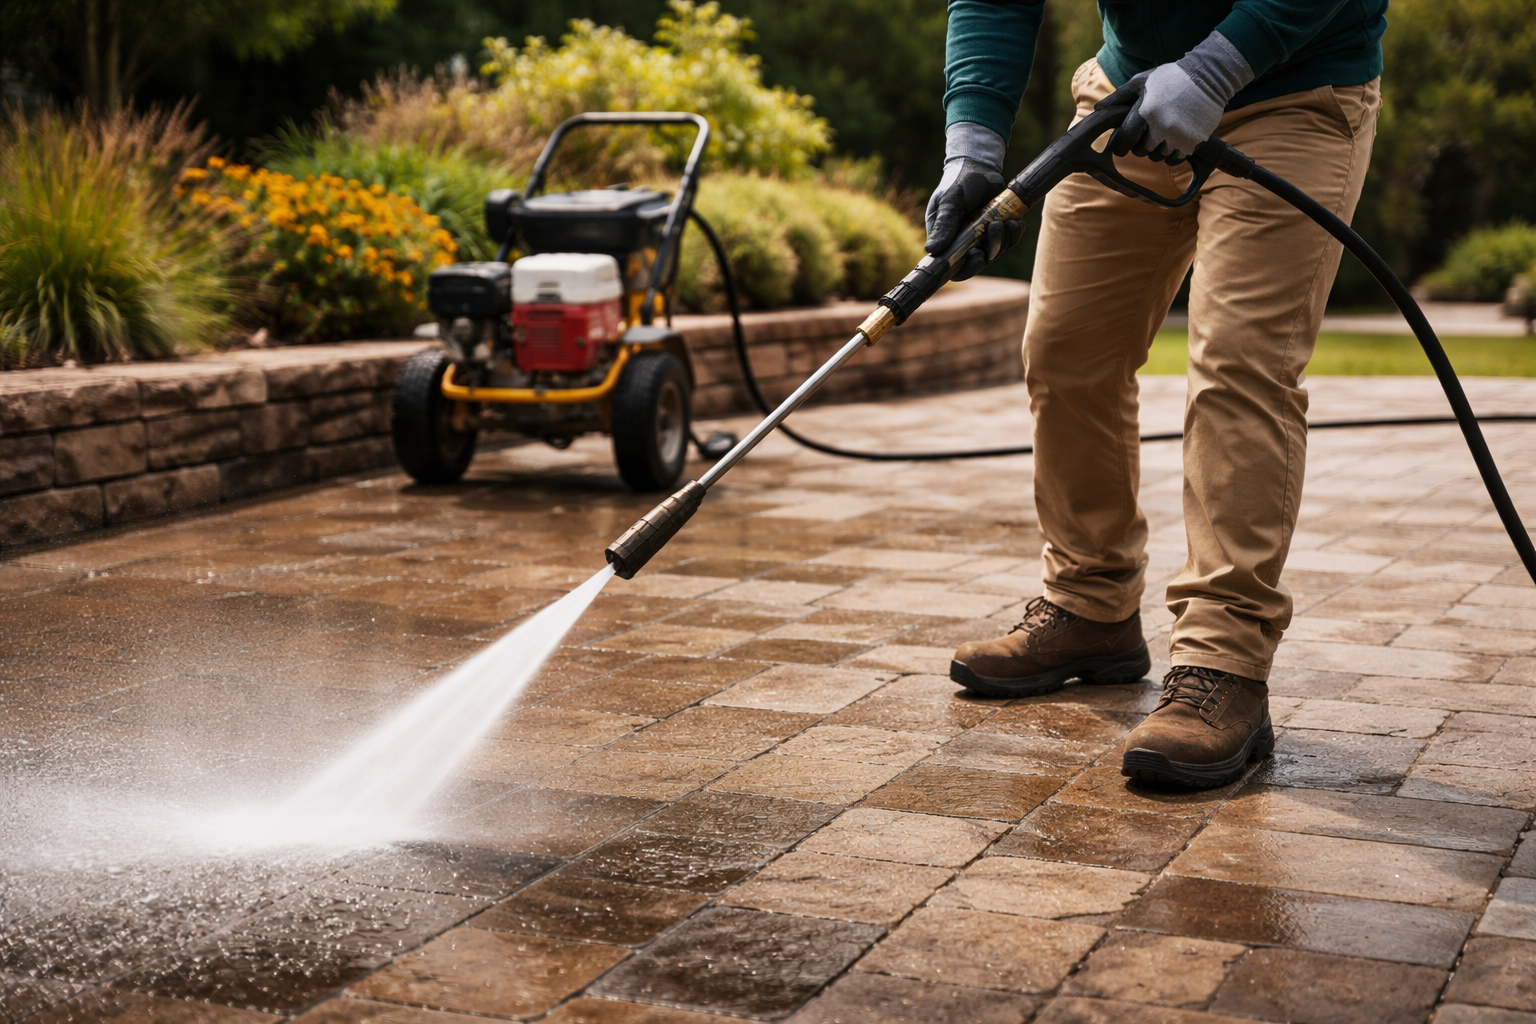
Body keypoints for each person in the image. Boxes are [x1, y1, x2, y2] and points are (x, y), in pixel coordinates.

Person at [936, 0, 1386, 788]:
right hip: (1129, 93)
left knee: (1240, 369)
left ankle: (1224, 661)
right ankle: (1091, 603)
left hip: (1295, 95)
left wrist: (1214, 70)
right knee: (1067, 352)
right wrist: (970, 143)